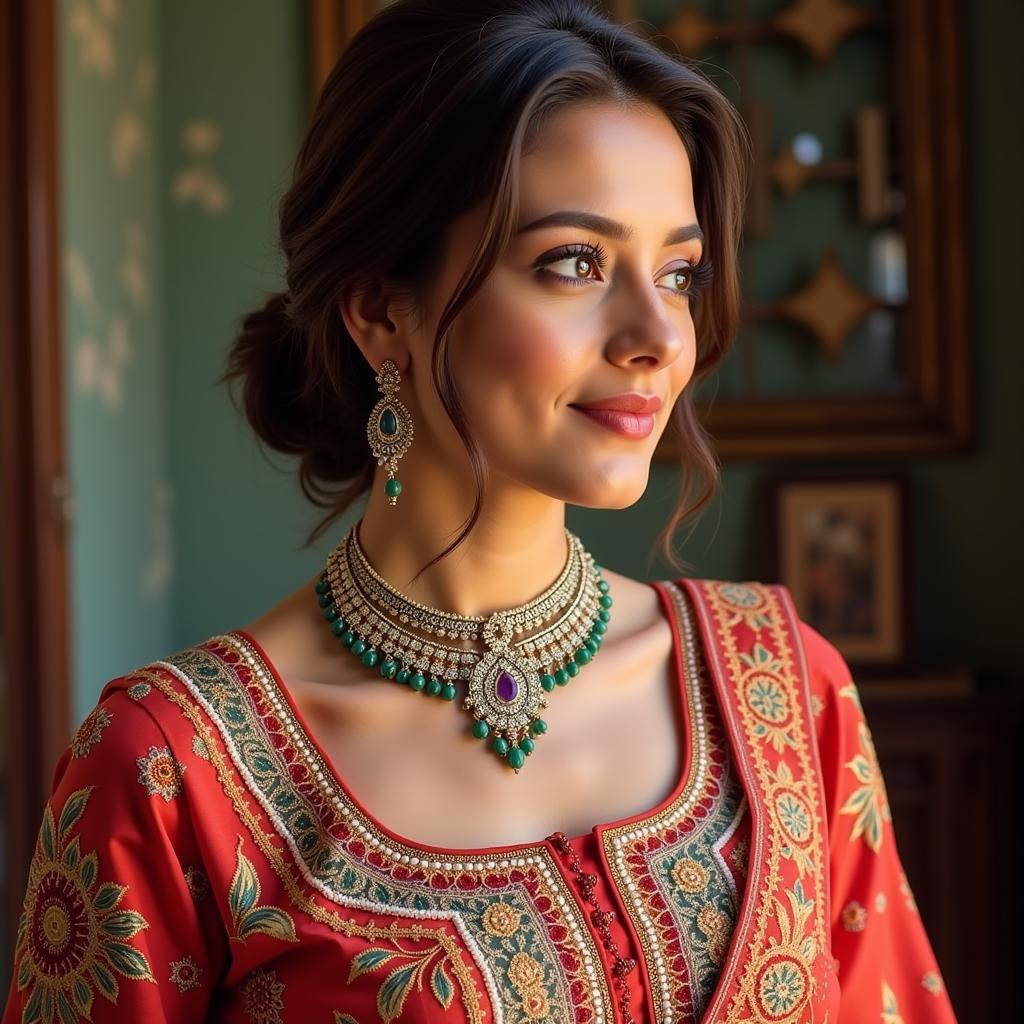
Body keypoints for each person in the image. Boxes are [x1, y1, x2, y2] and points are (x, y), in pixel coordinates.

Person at [3, 1, 957, 1021]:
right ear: (379, 309)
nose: (656, 335)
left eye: (678, 273)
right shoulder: (169, 772)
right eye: (574, 263)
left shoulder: (787, 693)